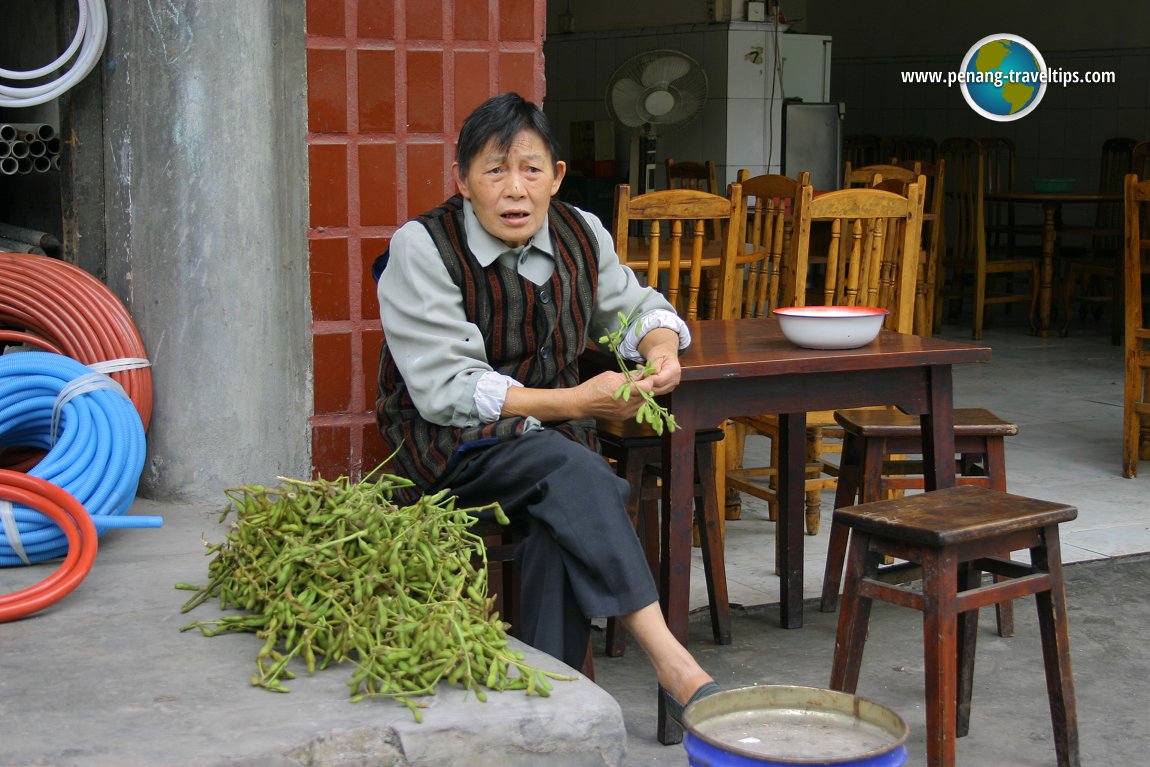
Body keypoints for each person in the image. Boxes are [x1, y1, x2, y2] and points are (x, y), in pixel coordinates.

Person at [374, 92, 717, 740]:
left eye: (531, 170)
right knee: (574, 469)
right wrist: (574, 402)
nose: (515, 189)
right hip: (451, 447)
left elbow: (637, 306)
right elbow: (450, 388)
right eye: (494, 171)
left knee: (557, 516)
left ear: (557, 176)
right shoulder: (422, 247)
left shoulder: (580, 234)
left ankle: (545, 725)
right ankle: (674, 663)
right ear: (462, 179)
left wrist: (661, 349)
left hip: (553, 449)